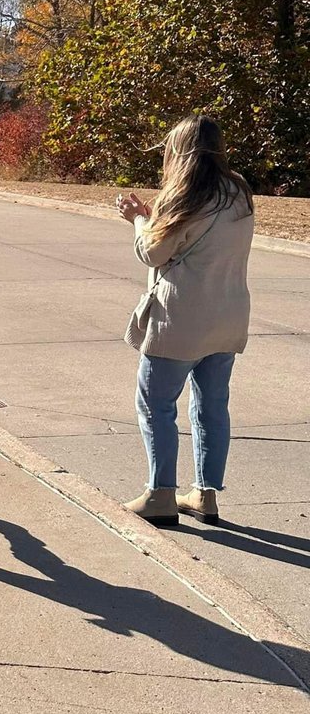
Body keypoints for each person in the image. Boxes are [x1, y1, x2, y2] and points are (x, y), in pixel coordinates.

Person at [115, 114, 254, 527]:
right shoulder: (238, 191)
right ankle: (206, 493)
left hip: (181, 321)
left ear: (179, 151)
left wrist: (138, 219)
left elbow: (153, 252)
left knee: (156, 404)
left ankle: (160, 493)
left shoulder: (185, 196)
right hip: (227, 316)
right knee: (212, 406)